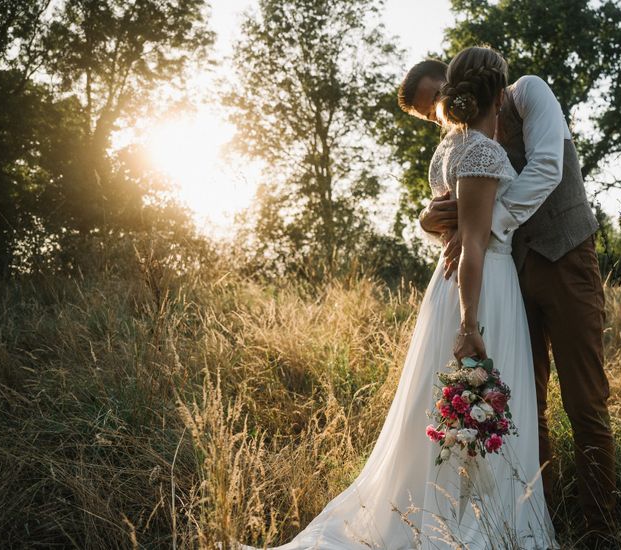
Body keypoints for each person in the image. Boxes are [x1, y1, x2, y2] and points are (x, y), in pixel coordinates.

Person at [236, 46, 557, 550]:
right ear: (497, 94)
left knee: (450, 410)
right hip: (482, 288)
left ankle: (457, 511)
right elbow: (472, 243)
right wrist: (470, 325)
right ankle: (473, 526)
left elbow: (448, 223)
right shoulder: (482, 151)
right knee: (477, 400)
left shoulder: (450, 149)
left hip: (457, 284)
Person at [398, 51, 616, 541]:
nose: (438, 112)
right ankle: (537, 515)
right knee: (522, 404)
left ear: (450, 79)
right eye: (426, 111)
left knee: (585, 401)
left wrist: (484, 229)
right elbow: (448, 206)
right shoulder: (463, 141)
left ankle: (602, 528)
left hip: (566, 261)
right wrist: (430, 221)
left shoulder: (528, 93)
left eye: (436, 97)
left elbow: (545, 169)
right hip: (510, 277)